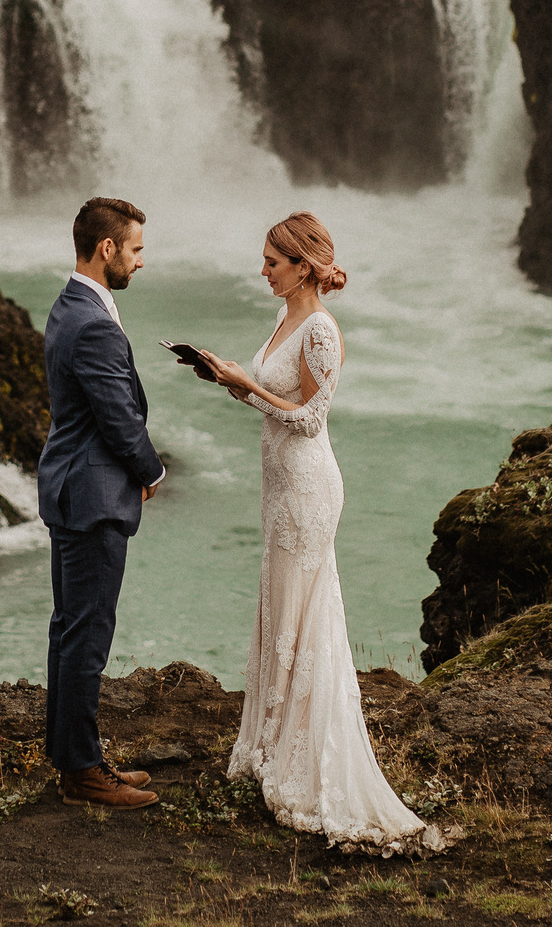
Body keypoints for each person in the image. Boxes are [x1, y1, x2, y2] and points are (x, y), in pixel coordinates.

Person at [195, 211, 445, 854]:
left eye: (273, 262)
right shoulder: (284, 317)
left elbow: (309, 419)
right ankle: (274, 743)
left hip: (308, 489)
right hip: (279, 487)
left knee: (306, 618)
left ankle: (305, 759)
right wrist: (234, 382)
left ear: (302, 266)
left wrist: (245, 384)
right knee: (280, 610)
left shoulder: (322, 331)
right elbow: (272, 402)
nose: (263, 269)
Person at [37, 195, 165, 809]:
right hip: (92, 496)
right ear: (107, 248)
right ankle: (84, 773)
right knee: (88, 633)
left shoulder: (69, 307)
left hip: (68, 486)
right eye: (136, 249)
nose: (142, 261)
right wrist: (151, 470)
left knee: (70, 628)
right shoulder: (93, 323)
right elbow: (118, 417)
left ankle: (72, 757)